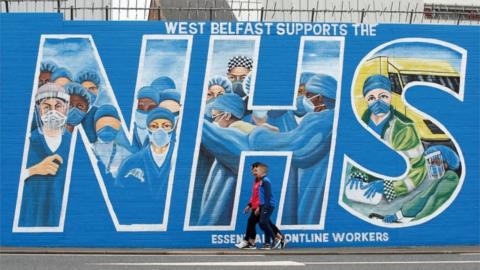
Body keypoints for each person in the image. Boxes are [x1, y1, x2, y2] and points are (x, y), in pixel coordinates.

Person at [248, 74, 338, 225]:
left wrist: (259, 134)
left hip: (316, 188)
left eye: (307, 95)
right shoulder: (335, 117)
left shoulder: (321, 121)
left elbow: (294, 146)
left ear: (320, 98)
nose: (304, 99)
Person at [348, 74, 427, 203]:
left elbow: (418, 170)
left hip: (396, 194)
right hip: (366, 190)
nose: (378, 102)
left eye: (383, 96)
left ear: (391, 96)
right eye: (371, 98)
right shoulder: (364, 123)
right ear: (365, 100)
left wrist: (388, 187)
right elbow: (362, 156)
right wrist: (358, 174)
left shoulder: (404, 128)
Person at [195, 93, 254, 225]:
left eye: (215, 117)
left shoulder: (233, 134)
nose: (214, 122)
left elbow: (207, 130)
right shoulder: (241, 133)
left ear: (227, 115)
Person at [19, 83, 71, 227]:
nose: (52, 112)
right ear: (38, 110)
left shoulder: (73, 143)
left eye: (58, 106)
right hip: (32, 216)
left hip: (60, 219)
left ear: (66, 108)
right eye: (46, 107)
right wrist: (34, 170)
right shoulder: (28, 142)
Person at [115, 107, 176, 224]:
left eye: (166, 126)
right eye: (154, 126)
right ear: (148, 129)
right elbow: (119, 190)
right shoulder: (131, 162)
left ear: (173, 129)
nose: (160, 130)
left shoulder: (181, 158)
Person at [382, 145, 460, 223]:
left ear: (446, 163)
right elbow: (422, 198)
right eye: (430, 162)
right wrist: (398, 215)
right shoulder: (440, 179)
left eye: (436, 162)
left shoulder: (451, 177)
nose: (433, 165)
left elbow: (435, 202)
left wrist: (417, 221)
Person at [236, 162, 286, 249]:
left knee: (262, 223)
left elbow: (266, 196)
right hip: (258, 206)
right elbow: (255, 195)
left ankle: (275, 239)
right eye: (252, 170)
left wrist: (260, 207)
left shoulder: (264, 181)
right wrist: (249, 205)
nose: (253, 172)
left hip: (263, 205)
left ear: (262, 171)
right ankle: (278, 239)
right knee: (262, 223)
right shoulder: (256, 181)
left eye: (255, 170)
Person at [92, 105, 131, 179]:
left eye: (113, 124)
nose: (107, 128)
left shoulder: (124, 152)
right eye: (102, 124)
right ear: (95, 126)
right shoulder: (90, 149)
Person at [75, 70, 104, 143]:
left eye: (92, 88)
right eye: (84, 89)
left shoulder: (99, 113)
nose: (88, 92)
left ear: (98, 90)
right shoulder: (72, 112)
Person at [132, 86, 160, 151]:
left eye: (151, 108)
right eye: (141, 107)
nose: (145, 112)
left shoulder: (162, 135)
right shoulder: (126, 133)